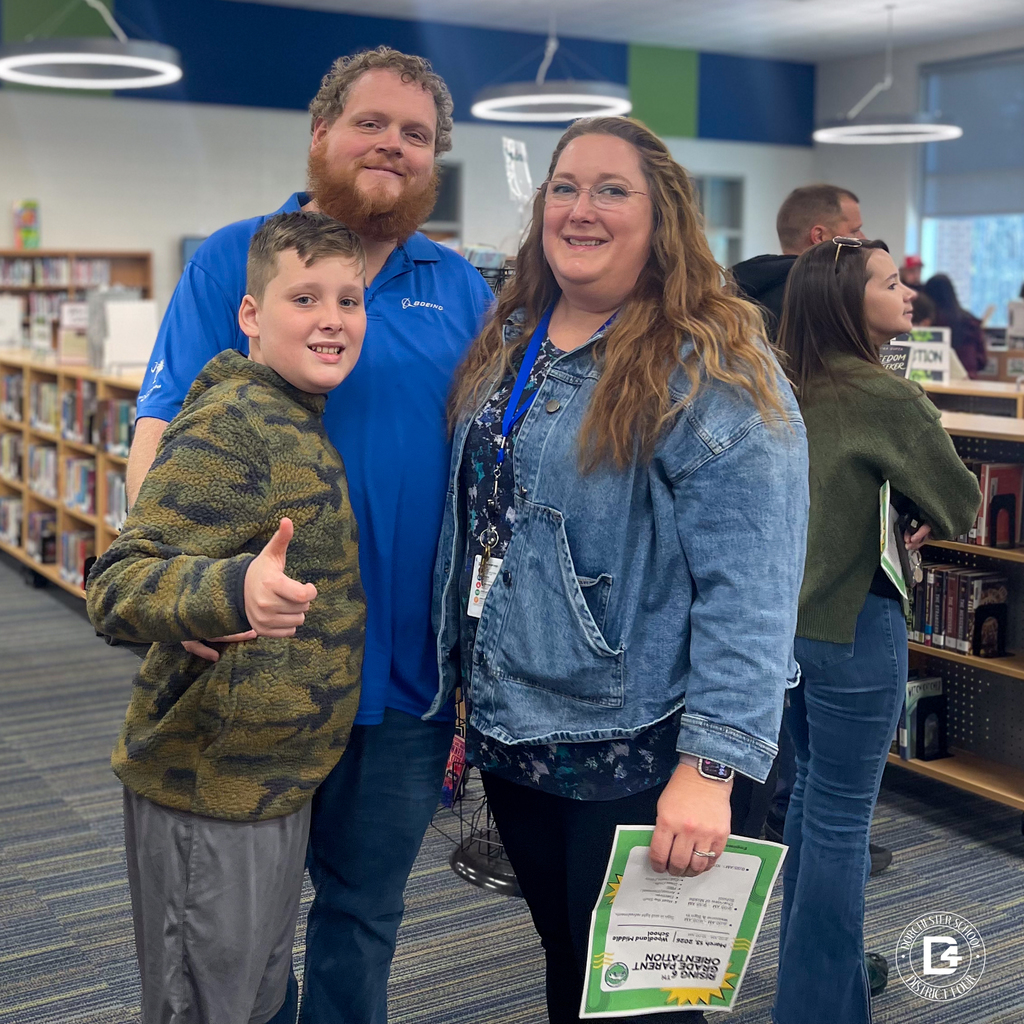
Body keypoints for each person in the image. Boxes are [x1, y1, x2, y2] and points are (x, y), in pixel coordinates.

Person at [125, 48, 494, 1024]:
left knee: (362, 914)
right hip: (256, 673)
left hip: (404, 686)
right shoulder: (239, 255)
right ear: (322, 132)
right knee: (238, 932)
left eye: (416, 135)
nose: (394, 146)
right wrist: (180, 590)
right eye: (374, 123)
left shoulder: (458, 289)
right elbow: (160, 435)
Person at [433, 116, 809, 1024]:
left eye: (611, 190)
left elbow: (752, 586)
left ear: (662, 216)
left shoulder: (708, 364)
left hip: (641, 744)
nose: (580, 208)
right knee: (569, 960)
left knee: (642, 1004)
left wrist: (712, 770)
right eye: (564, 187)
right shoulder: (514, 334)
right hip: (518, 727)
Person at [87, 212, 367, 1024]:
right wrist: (233, 590)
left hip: (267, 779)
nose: (331, 318)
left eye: (349, 301)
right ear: (250, 315)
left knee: (250, 996)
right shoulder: (233, 423)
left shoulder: (292, 412)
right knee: (205, 1007)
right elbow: (118, 585)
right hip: (207, 784)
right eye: (304, 297)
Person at [772, 237, 981, 1024]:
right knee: (839, 817)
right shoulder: (885, 396)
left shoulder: (777, 383)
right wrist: (911, 506)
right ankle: (821, 1007)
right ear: (846, 303)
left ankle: (821, 978)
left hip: (779, 629)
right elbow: (960, 502)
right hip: (855, 622)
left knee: (808, 802)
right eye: (890, 283)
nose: (908, 296)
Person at [731, 184, 865, 341]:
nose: (863, 238)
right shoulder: (822, 301)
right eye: (854, 231)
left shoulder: (735, 288)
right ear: (820, 237)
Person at [922, 273, 987, 377]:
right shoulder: (970, 321)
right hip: (967, 384)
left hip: (932, 383)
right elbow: (982, 361)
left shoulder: (927, 323)